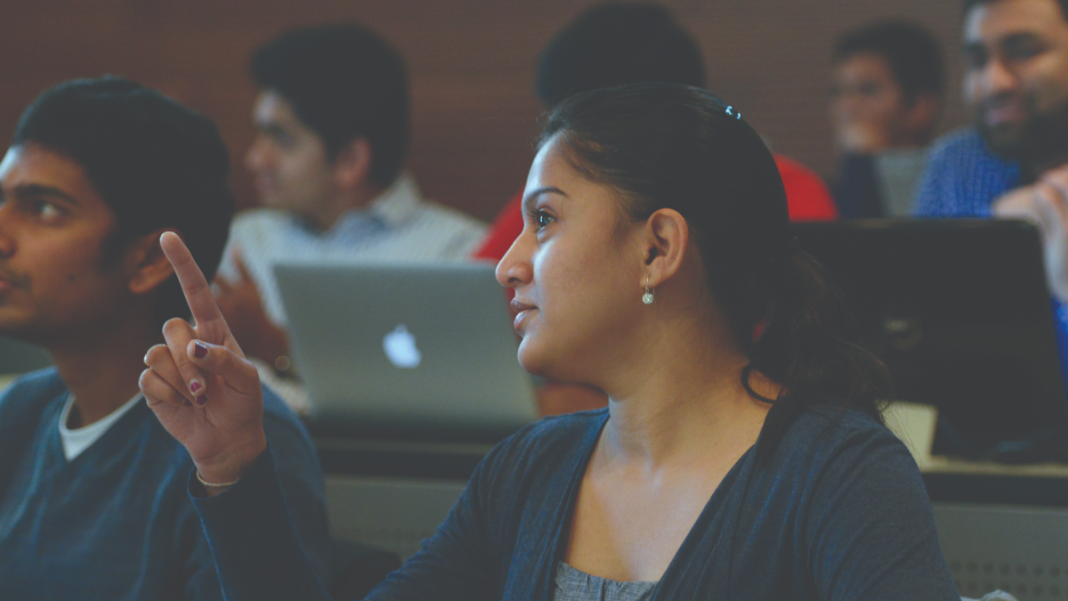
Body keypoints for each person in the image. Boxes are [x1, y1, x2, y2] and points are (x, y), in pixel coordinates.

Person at [142, 83, 958, 600]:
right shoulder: (531, 469)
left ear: (658, 247)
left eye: (545, 219)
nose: (507, 263)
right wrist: (232, 464)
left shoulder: (837, 473)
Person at [0, 77, 329, 599]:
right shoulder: (18, 411)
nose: (2, 235)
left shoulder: (240, 441)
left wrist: (231, 473)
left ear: (149, 260)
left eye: (43, 208)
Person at [474, 2, 839, 416]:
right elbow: (466, 310)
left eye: (588, 120)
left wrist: (611, 401)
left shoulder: (786, 192)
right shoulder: (557, 190)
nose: (507, 268)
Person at [217, 23, 486, 373]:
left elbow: (450, 395)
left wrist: (278, 348)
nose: (256, 158)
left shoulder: (460, 255)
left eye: (281, 139)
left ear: (350, 160)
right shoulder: (243, 241)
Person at [914, 0, 1068, 391]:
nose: (994, 82)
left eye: (1023, 52)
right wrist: (998, 232)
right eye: (978, 60)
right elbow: (917, 330)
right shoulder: (958, 163)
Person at [830, 20, 944, 218]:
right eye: (838, 92)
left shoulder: (947, 191)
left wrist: (862, 163)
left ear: (919, 107)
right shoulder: (822, 195)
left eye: (867, 90)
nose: (847, 107)